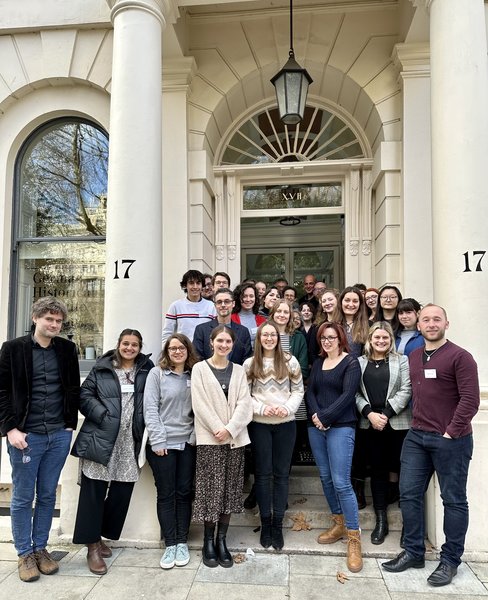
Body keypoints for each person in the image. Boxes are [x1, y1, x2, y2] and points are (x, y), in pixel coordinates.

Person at [382, 304, 480, 587]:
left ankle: (450, 560)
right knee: (409, 494)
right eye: (426, 319)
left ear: (446, 324)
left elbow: (470, 401)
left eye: (437, 319)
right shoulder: (413, 356)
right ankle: (414, 551)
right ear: (419, 325)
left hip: (452, 440)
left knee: (453, 500)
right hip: (417, 436)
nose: (431, 323)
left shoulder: (461, 357)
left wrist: (451, 432)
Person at [0, 297, 80, 583]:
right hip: (26, 436)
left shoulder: (67, 349)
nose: (54, 325)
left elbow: (72, 388)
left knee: (47, 495)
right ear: (36, 318)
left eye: (58, 321)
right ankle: (24, 553)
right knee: (22, 497)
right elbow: (2, 392)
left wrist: (69, 425)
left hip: (58, 434)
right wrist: (10, 429)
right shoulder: (13, 349)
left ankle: (41, 549)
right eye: (49, 319)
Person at [71, 329, 153, 575]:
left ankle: (98, 536)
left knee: (122, 491)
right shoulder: (102, 367)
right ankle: (92, 546)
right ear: (118, 344)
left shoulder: (146, 370)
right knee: (93, 492)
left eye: (134, 345)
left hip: (130, 441)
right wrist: (103, 415)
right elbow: (84, 395)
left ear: (140, 347)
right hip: (101, 436)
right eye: (126, 343)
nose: (129, 348)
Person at [191, 325, 253, 569]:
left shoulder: (239, 371)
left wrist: (231, 429)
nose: (224, 345)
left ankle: (222, 540)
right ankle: (208, 541)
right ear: (211, 342)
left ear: (232, 344)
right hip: (210, 439)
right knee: (210, 491)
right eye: (220, 341)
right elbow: (200, 403)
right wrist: (219, 428)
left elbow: (244, 404)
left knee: (229, 490)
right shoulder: (199, 369)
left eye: (228, 342)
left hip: (235, 440)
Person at [306, 321, 362, 573]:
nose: (327, 341)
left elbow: (348, 394)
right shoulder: (318, 363)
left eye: (331, 337)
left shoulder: (351, 362)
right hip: (317, 427)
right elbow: (311, 392)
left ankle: (353, 538)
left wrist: (326, 417)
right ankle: (338, 523)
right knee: (326, 478)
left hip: (341, 426)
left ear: (341, 339)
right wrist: (317, 416)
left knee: (341, 481)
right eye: (323, 338)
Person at [244, 322, 304, 550]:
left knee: (281, 475)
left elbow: (298, 390)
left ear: (278, 338)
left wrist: (288, 408)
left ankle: (277, 524)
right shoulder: (250, 364)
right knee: (262, 474)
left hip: (285, 425)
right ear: (259, 338)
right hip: (260, 425)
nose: (269, 338)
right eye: (264, 335)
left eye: (272, 335)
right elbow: (245, 394)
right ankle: (265, 522)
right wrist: (260, 409)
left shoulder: (290, 362)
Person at [143, 334, 198, 569]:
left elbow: (201, 408)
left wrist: (195, 437)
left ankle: (182, 541)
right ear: (166, 351)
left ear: (188, 350)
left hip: (187, 443)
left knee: (184, 492)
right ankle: (170, 544)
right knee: (166, 493)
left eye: (181, 347)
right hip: (163, 444)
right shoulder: (157, 374)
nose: (177, 351)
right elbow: (150, 408)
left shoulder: (195, 374)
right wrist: (158, 440)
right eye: (172, 348)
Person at [355, 322, 412, 545]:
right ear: (370, 339)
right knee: (377, 471)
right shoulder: (359, 362)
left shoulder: (402, 360)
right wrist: (369, 413)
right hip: (370, 424)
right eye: (377, 338)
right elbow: (355, 393)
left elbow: (406, 389)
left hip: (396, 423)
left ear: (391, 340)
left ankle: (409, 524)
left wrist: (386, 414)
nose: (381, 342)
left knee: (399, 469)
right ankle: (381, 521)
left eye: (385, 338)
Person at [194, 288, 252, 364]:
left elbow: (246, 360)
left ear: (233, 304)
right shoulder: (201, 330)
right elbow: (197, 358)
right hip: (208, 374)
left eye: (227, 301)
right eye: (219, 302)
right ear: (215, 305)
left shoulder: (243, 331)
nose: (223, 305)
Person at [162, 270, 217, 344]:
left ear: (202, 286)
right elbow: (167, 333)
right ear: (185, 285)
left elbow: (216, 331)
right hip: (182, 351)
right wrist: (166, 352)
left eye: (198, 283)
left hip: (205, 351)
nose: (195, 287)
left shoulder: (211, 306)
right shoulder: (176, 306)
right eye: (191, 283)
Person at [336, 286, 369, 358]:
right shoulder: (333, 325)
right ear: (341, 302)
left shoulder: (369, 325)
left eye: (355, 301)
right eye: (347, 300)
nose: (351, 304)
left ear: (360, 304)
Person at [231, 283, 266, 349]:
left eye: (251, 296)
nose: (248, 299)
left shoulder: (262, 320)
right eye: (244, 296)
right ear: (238, 298)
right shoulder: (230, 319)